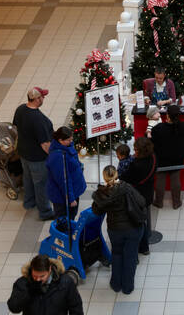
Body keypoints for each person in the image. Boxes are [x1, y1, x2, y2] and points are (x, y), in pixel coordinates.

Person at [90, 165, 145, 294]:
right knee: (130, 257)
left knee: (116, 254)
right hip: (132, 228)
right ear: (116, 174)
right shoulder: (126, 188)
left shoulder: (102, 193)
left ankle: (116, 284)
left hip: (114, 230)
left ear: (104, 177)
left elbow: (96, 210)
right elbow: (141, 201)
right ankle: (127, 287)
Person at [13, 87, 55, 220]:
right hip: (37, 158)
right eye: (42, 96)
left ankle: (29, 202)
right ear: (37, 99)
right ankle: (45, 212)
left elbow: (15, 127)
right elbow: (45, 144)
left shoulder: (20, 109)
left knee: (28, 178)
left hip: (24, 153)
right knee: (41, 183)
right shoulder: (38, 119)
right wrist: (53, 155)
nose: (44, 98)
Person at [150, 103, 184, 209]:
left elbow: (152, 143)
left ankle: (159, 202)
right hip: (177, 159)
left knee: (160, 179)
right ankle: (176, 202)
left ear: (168, 115)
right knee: (175, 180)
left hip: (161, 159)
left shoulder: (158, 128)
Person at [123, 136, 157, 255]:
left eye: (136, 149)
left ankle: (142, 246)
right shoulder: (153, 157)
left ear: (140, 151)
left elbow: (126, 178)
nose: (134, 151)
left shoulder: (136, 165)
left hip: (137, 196)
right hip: (148, 193)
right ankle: (145, 247)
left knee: (138, 221)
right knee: (144, 219)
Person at [45, 126, 85, 223]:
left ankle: (67, 233)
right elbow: (64, 180)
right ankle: (63, 236)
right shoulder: (58, 157)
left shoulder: (66, 147)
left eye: (71, 139)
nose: (71, 141)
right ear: (60, 140)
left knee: (71, 216)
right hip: (63, 197)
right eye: (68, 140)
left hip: (72, 190)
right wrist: (71, 199)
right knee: (64, 220)